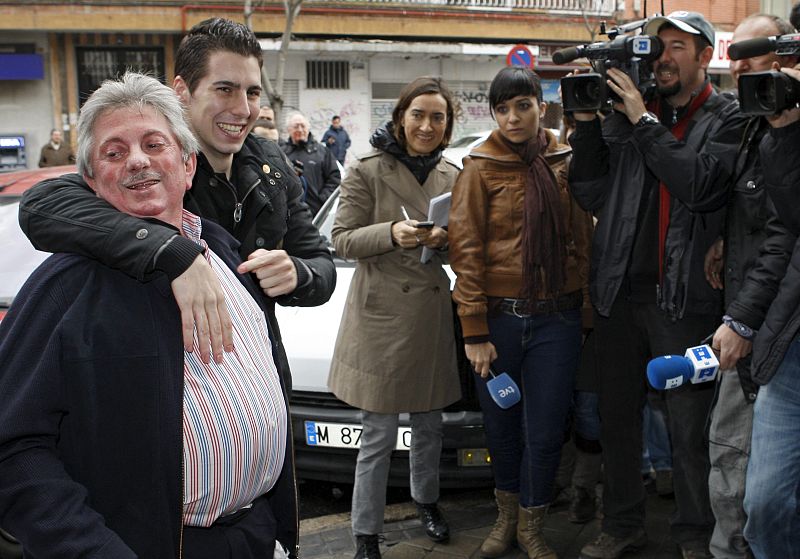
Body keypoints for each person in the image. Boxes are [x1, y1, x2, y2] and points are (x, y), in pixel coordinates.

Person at [0, 72, 296, 558]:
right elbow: (13, 450)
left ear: (187, 166)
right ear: (91, 182)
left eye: (153, 144)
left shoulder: (227, 257)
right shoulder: (64, 286)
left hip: (258, 536)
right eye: (113, 153)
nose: (136, 160)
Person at [18, 18, 336, 389]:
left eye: (252, 92)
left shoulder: (272, 166)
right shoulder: (154, 174)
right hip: (173, 383)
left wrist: (297, 273)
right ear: (182, 92)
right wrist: (172, 251)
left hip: (260, 376)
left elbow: (321, 265)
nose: (243, 109)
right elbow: (41, 204)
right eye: (224, 89)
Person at [567, 11, 749, 559]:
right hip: (620, 295)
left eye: (676, 47)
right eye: (656, 47)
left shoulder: (727, 117)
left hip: (687, 298)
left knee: (690, 429)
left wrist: (643, 122)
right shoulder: (628, 116)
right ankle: (622, 527)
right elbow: (592, 195)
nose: (662, 57)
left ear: (704, 56)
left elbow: (700, 185)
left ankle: (694, 534)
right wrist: (593, 126)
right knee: (619, 422)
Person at [449, 66, 593, 559]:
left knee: (548, 428)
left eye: (523, 105)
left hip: (559, 317)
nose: (514, 117)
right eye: (503, 108)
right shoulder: (478, 166)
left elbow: (582, 240)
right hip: (501, 322)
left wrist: (589, 310)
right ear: (493, 114)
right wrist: (474, 332)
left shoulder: (564, 159)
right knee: (502, 426)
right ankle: (505, 521)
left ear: (541, 106)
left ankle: (533, 526)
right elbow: (466, 251)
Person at [327, 76, 461, 559]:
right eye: (418, 114)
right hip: (381, 318)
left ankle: (427, 502)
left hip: (428, 314)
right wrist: (392, 232)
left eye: (438, 117)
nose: (427, 125)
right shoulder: (366, 169)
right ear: (401, 116)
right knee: (378, 435)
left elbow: (465, 248)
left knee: (429, 425)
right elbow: (341, 239)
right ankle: (366, 532)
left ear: (447, 125)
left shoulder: (452, 174)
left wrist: (447, 242)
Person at [702, 14, 798, 559]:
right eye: (735, 57)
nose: (740, 69)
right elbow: (779, 226)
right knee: (759, 498)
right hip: (776, 333)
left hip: (764, 319)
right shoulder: (754, 121)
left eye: (755, 56)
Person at [282, 112, 341, 216]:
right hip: (288, 214)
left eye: (303, 126)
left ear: (308, 128)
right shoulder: (281, 153)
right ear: (288, 130)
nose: (300, 130)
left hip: (316, 213)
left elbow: (335, 178)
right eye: (296, 126)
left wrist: (322, 199)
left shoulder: (322, 152)